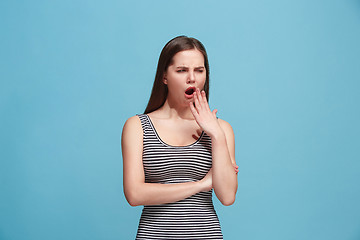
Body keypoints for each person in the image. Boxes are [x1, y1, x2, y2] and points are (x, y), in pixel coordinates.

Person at [121, 36, 238, 239]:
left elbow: (227, 196)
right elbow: (134, 194)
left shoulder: (221, 130)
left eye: (199, 70)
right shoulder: (137, 127)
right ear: (164, 76)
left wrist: (216, 134)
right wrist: (200, 185)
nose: (192, 78)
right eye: (182, 70)